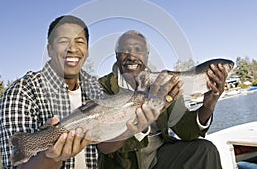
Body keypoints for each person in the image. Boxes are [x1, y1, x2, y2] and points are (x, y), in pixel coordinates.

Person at [97, 30, 228, 169]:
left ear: (147, 56)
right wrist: (140, 123)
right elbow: (104, 146)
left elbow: (186, 131)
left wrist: (208, 106)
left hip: (159, 158)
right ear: (117, 55)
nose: (132, 56)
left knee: (205, 150)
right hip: (123, 165)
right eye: (125, 50)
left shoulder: (164, 83)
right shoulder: (102, 87)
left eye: (138, 50)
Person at [0, 15, 104, 168]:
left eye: (79, 42)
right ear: (49, 49)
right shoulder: (21, 92)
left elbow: (103, 147)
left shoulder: (94, 87)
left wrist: (132, 126)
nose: (72, 48)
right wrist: (52, 157)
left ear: (87, 51)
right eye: (63, 41)